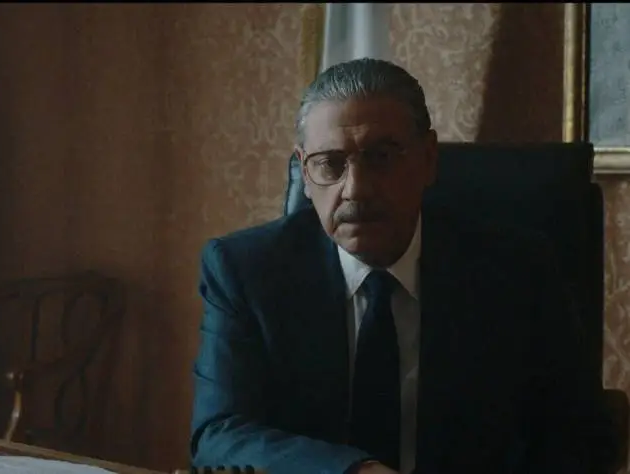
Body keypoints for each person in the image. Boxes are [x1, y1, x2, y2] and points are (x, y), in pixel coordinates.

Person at [189, 58, 616, 474]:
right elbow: (220, 431)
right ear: (304, 170)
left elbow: (575, 434)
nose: (356, 189)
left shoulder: (516, 271)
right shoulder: (246, 271)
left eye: (381, 157)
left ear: (428, 159)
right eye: (330, 164)